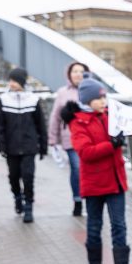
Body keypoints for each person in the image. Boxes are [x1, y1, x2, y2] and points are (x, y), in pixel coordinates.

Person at [66, 75, 132, 264]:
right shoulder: (78, 122)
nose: (104, 102)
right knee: (95, 225)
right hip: (94, 183)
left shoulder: (110, 116)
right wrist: (112, 144)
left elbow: (127, 126)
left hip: (115, 180)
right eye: (99, 99)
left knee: (119, 225)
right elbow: (85, 152)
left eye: (105, 98)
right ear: (88, 100)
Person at [0, 67, 47, 223]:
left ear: (22, 82)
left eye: (15, 81)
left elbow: (40, 125)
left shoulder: (33, 100)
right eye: (10, 80)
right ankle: (17, 196)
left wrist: (43, 146)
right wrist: (1, 146)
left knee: (28, 176)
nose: (12, 84)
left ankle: (29, 206)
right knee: (14, 176)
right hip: (11, 147)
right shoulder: (3, 100)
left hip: (29, 146)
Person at [48, 61, 89, 216]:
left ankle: (91, 199)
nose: (78, 74)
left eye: (81, 71)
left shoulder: (93, 90)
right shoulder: (63, 92)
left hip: (91, 138)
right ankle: (78, 200)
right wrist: (53, 140)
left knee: (90, 170)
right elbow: (55, 117)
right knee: (77, 168)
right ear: (69, 75)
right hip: (70, 138)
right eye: (75, 71)